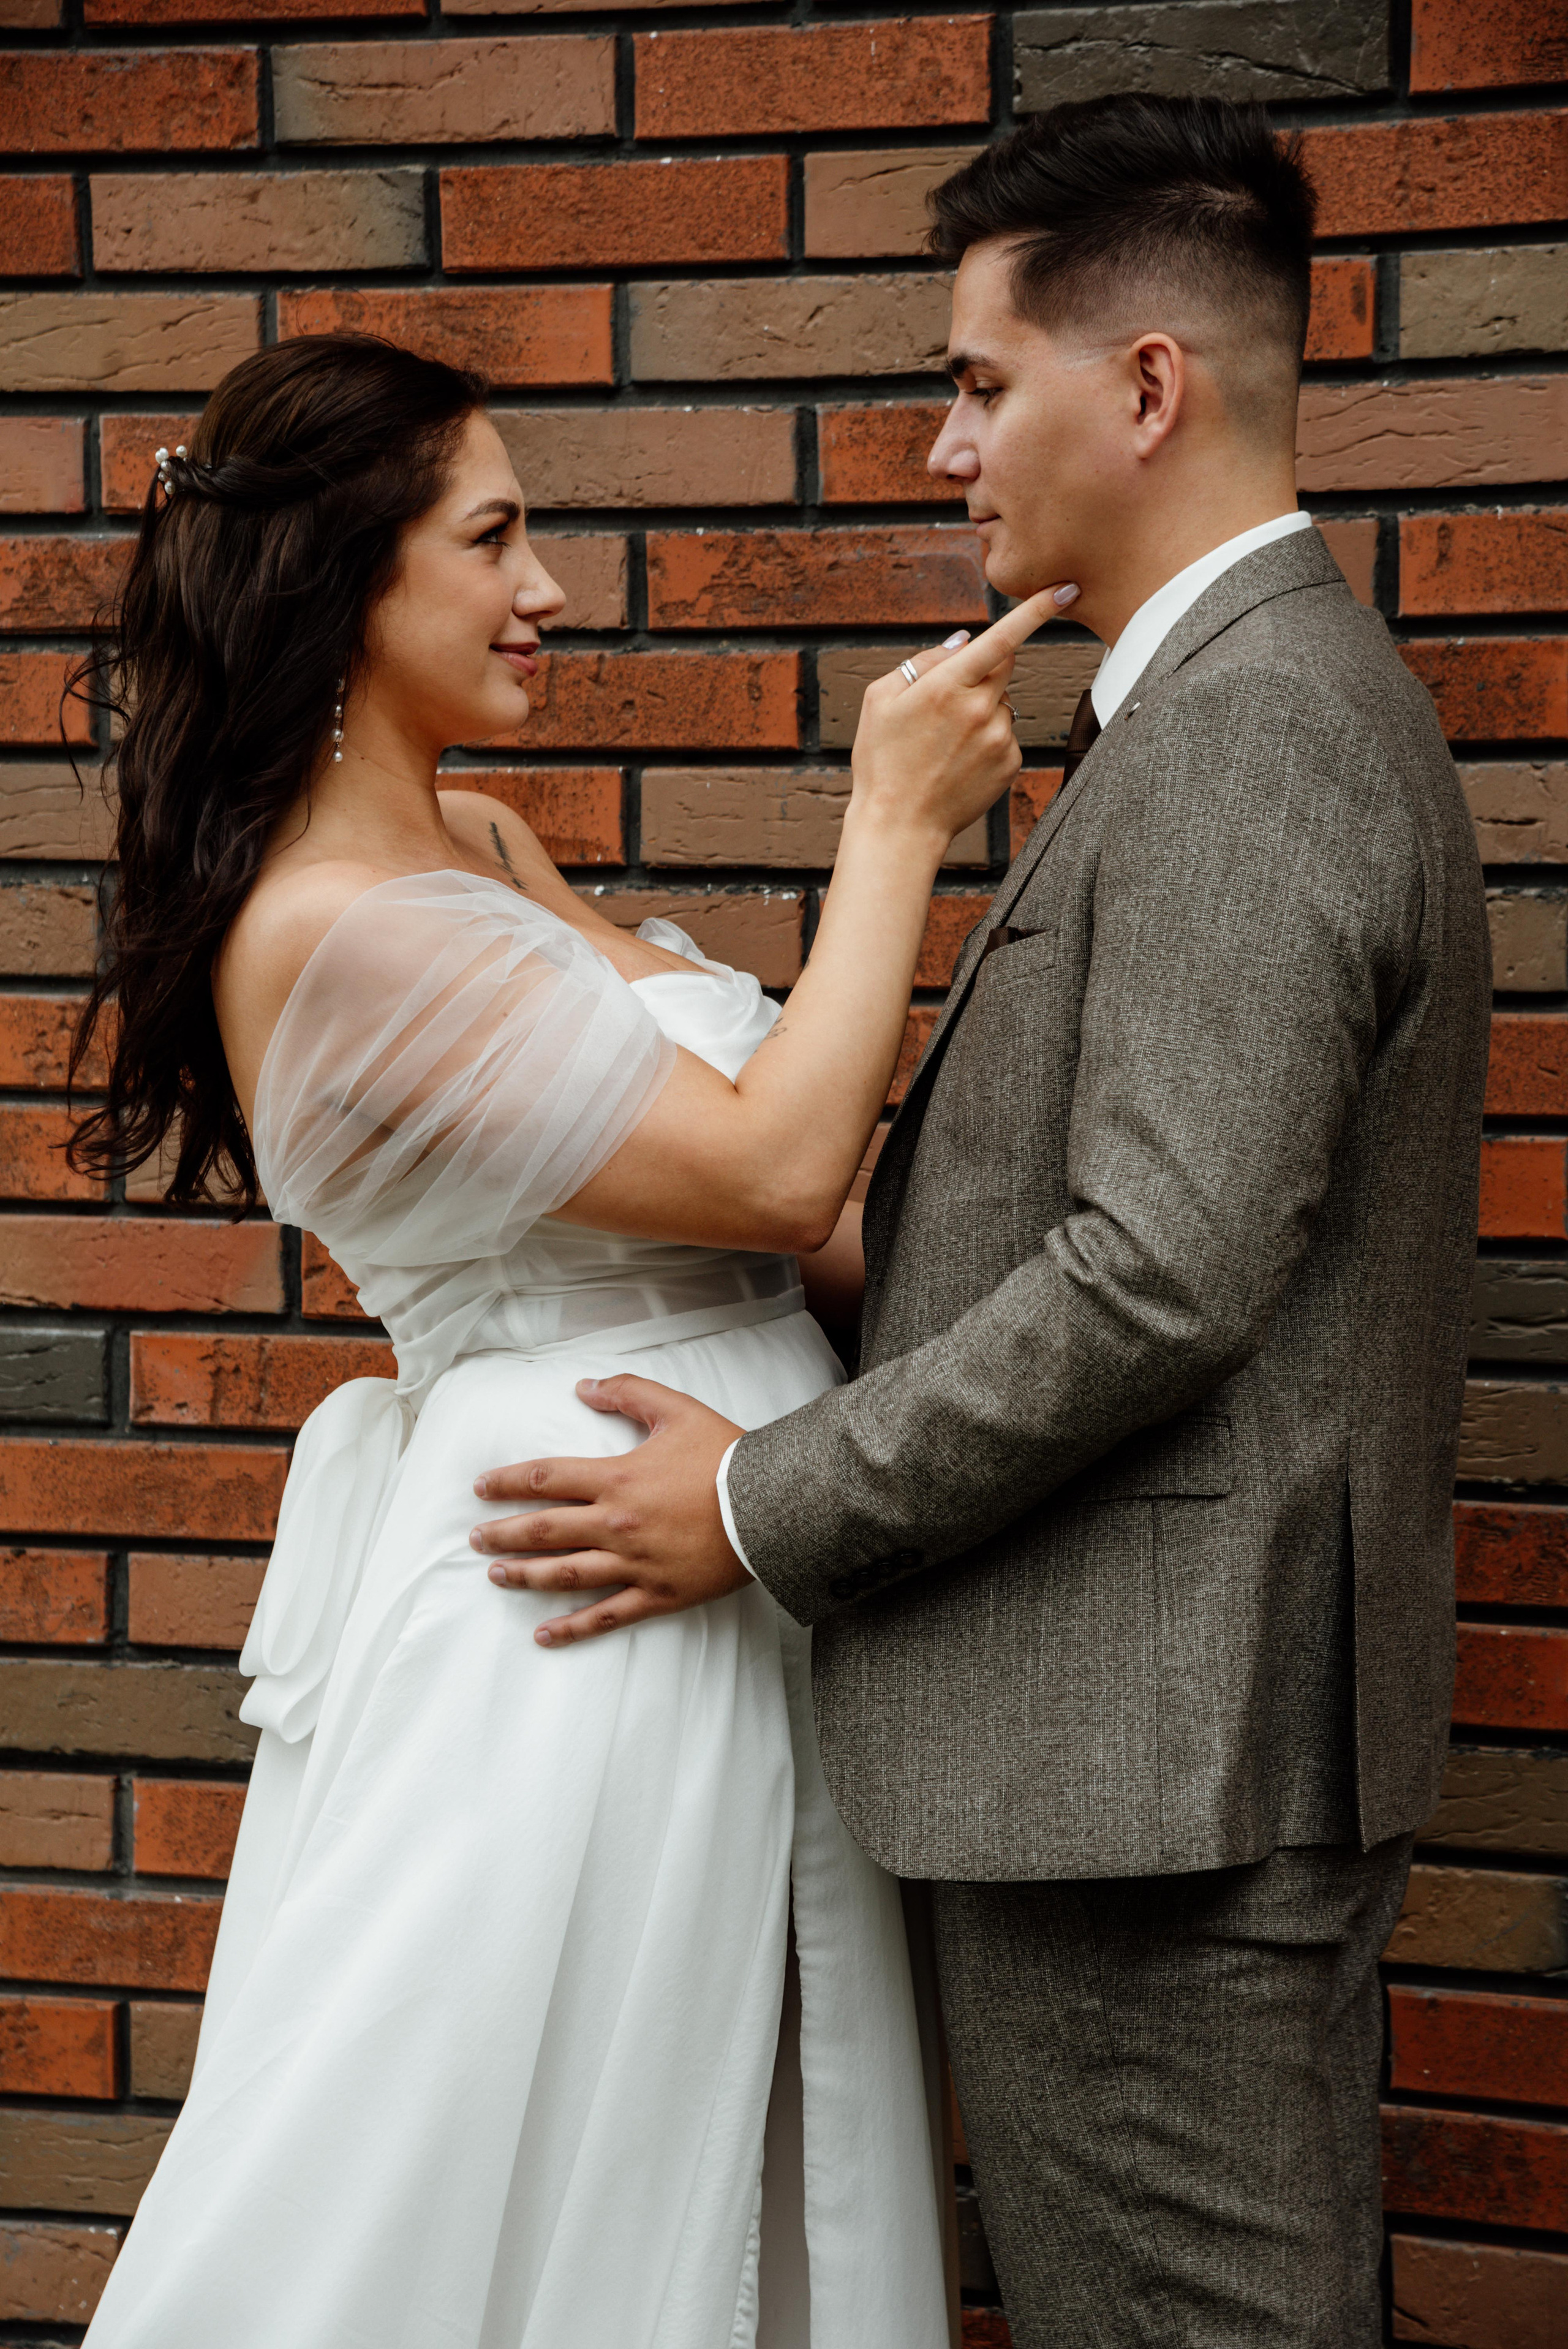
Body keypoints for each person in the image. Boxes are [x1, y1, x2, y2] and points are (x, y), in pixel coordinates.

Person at [470, 95, 1492, 2348]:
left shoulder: (1252, 736)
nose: (943, 451)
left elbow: (1161, 1271)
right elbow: (1121, 1225)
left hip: (1159, 1785)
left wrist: (750, 1501)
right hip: (1137, 1764)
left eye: (973, 381)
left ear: (1145, 386)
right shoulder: (1221, 714)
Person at [72, 331, 1074, 2348]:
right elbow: (783, 1166)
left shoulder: (473, 866)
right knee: (521, 2155)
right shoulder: (342, 939)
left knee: (732, 2145)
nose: (550, 589)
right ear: (351, 583)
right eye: (497, 536)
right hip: (574, 1602)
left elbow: (798, 1220)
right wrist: (892, 823)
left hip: (728, 1559)